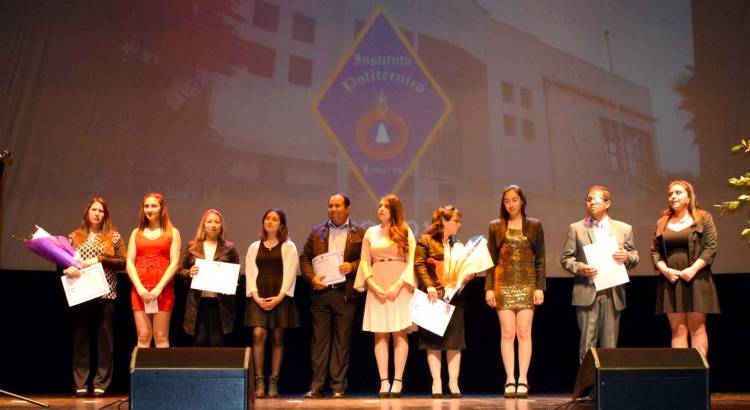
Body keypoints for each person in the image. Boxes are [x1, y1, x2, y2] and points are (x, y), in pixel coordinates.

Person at [560, 185, 639, 365]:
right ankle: (587, 389)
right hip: (588, 290)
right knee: (587, 344)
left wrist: (627, 256)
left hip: (612, 291)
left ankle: (607, 388)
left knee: (610, 345)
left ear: (607, 203)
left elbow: (634, 256)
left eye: (595, 200)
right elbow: (566, 258)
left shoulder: (623, 228)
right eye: (588, 200)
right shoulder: (577, 228)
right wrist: (581, 268)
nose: (591, 203)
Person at [299, 194, 365, 399]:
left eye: (338, 205)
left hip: (345, 293)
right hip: (321, 293)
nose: (333, 209)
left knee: (342, 343)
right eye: (330, 206)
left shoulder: (359, 233)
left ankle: (338, 386)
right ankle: (317, 386)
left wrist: (352, 266)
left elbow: (366, 260)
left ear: (348, 209)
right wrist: (312, 279)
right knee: (319, 342)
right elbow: (305, 258)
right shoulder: (317, 232)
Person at [485, 185, 545, 399]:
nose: (510, 204)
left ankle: (523, 379)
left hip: (527, 282)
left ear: (522, 201)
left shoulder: (535, 225)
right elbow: (491, 260)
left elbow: (540, 260)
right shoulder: (495, 226)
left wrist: (539, 287)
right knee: (507, 333)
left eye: (514, 200)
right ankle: (510, 378)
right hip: (503, 283)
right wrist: (489, 288)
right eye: (506, 201)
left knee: (524, 332)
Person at [62, 197, 126, 397]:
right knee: (81, 338)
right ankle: (81, 381)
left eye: (101, 211)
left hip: (105, 294)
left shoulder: (113, 237)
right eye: (94, 210)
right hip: (81, 293)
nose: (97, 213)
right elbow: (61, 262)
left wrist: (100, 259)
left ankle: (101, 382)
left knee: (104, 339)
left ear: (105, 215)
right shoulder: (74, 237)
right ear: (87, 212)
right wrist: (67, 268)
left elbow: (123, 262)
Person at [354, 194, 416, 398]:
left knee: (399, 332)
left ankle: (398, 380)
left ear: (394, 210)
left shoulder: (405, 231)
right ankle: (384, 381)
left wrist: (398, 285)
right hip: (377, 282)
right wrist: (371, 283)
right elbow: (364, 261)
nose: (381, 209)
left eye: (386, 206)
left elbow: (411, 261)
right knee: (380, 333)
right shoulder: (371, 232)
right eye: (380, 206)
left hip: (400, 285)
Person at [651, 180, 719, 356]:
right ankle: (682, 377)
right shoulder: (662, 222)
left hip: (697, 278)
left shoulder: (703, 218)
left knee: (697, 327)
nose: (673, 196)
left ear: (689, 196)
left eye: (678, 192)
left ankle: (698, 375)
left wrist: (692, 270)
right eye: (670, 193)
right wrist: (665, 270)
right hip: (671, 280)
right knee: (677, 329)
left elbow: (711, 247)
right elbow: (655, 251)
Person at [415, 205, 474, 399]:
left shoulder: (458, 245)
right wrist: (430, 286)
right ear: (444, 221)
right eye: (456, 221)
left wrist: (468, 275)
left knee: (454, 342)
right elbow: (420, 265)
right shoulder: (426, 240)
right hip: (434, 296)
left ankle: (453, 382)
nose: (459, 224)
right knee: (433, 342)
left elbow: (464, 268)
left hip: (455, 297)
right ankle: (437, 382)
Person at [244, 208, 300, 398]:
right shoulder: (254, 246)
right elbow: (250, 272)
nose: (270, 221)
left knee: (277, 339)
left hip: (280, 296)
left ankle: (273, 380)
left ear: (281, 224)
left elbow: (291, 273)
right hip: (259, 295)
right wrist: (256, 296)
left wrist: (279, 297)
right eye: (267, 218)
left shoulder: (288, 246)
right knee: (258, 335)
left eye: (274, 219)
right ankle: (259, 379)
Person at [126, 193, 181, 348]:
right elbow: (129, 262)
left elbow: (175, 263)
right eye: (146, 206)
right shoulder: (136, 233)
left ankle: (162, 373)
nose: (149, 209)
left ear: (161, 208)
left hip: (163, 290)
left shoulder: (172, 233)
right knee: (143, 336)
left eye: (154, 206)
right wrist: (139, 288)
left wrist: (158, 288)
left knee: (161, 336)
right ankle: (142, 373)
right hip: (140, 289)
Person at [178, 209, 240, 347]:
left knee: (217, 341)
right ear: (203, 225)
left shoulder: (229, 248)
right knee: (199, 340)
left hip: (221, 303)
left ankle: (217, 369)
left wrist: (231, 283)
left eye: (217, 222)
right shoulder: (192, 246)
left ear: (221, 226)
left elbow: (235, 274)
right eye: (209, 221)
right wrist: (189, 272)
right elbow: (180, 271)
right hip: (198, 302)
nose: (213, 225)